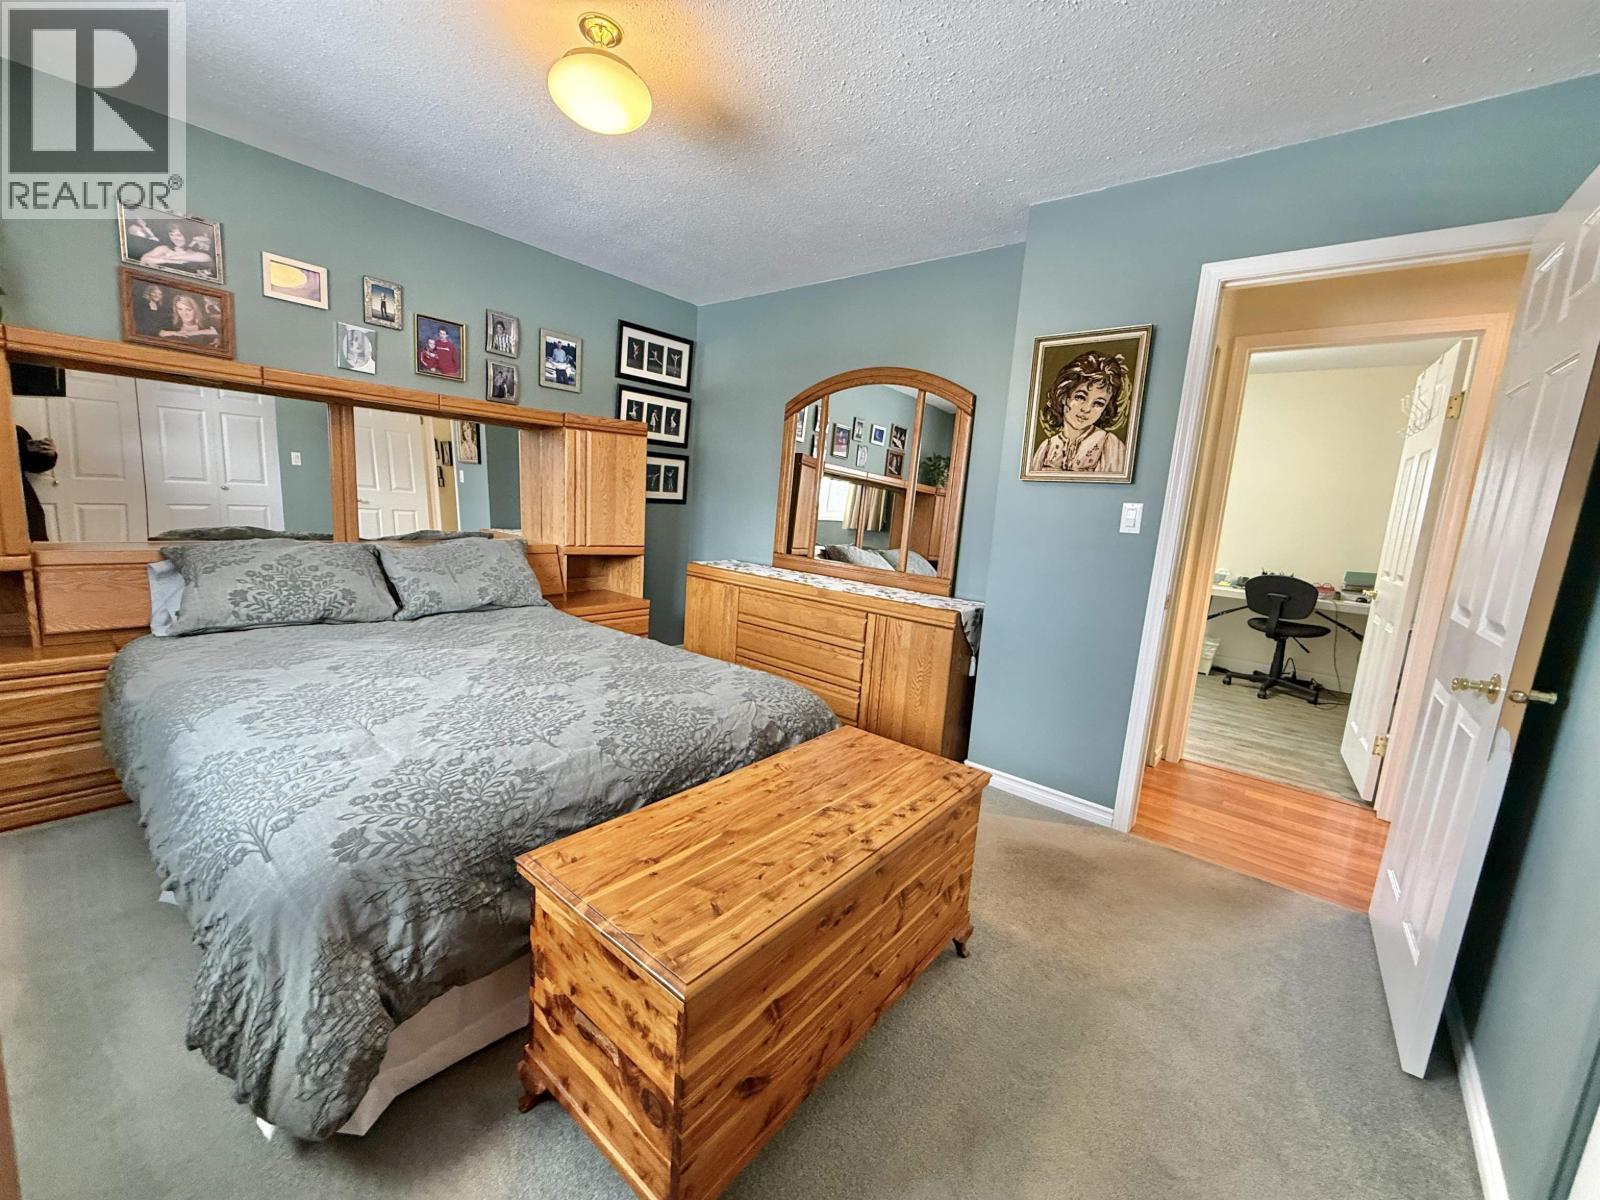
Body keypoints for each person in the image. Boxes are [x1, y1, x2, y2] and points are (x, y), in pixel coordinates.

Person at [1027, 350, 1131, 475]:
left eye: (1098, 403)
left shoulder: (1110, 445)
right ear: (1064, 396)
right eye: (1080, 397)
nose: (1086, 409)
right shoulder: (1046, 447)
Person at [14, 426, 57, 541]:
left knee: (34, 536)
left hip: (19, 493)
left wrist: (49, 454)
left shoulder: (15, 431)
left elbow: (33, 464)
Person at [137, 222, 214, 275]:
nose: (175, 238)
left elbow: (207, 258)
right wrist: (167, 260)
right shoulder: (164, 249)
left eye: (179, 235)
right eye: (172, 235)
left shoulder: (194, 253)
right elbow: (144, 259)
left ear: (187, 235)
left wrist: (175, 257)